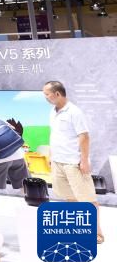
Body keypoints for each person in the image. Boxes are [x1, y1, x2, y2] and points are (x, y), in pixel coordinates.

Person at [43, 80, 103, 244]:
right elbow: (54, 135)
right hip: (58, 162)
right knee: (70, 197)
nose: (45, 97)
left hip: (73, 163)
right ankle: (78, 228)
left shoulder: (74, 112)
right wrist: (51, 155)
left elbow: (84, 136)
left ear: (57, 94)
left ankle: (97, 233)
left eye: (47, 94)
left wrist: (84, 161)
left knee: (87, 198)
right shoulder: (52, 112)